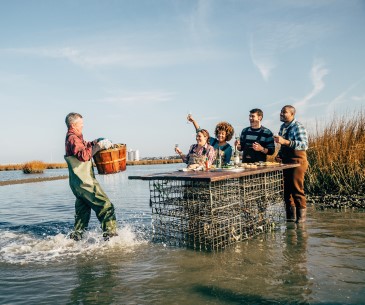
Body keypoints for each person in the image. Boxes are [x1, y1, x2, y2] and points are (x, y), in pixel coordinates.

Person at [64, 112, 118, 241]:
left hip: (77, 184)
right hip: (85, 183)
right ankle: (112, 239)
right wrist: (99, 146)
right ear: (73, 125)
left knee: (82, 213)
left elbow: (85, 147)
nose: (83, 126)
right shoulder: (72, 138)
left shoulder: (75, 138)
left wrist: (95, 142)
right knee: (105, 206)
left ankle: (75, 240)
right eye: (81, 124)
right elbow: (83, 156)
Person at [274, 105, 309, 223]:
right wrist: (279, 155)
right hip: (286, 162)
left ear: (292, 114)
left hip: (298, 161)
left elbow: (304, 145)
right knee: (286, 191)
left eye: (285, 112)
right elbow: (283, 145)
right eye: (281, 112)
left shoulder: (298, 126)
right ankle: (290, 220)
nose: (281, 114)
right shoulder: (282, 127)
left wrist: (285, 141)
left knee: (297, 189)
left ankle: (301, 222)